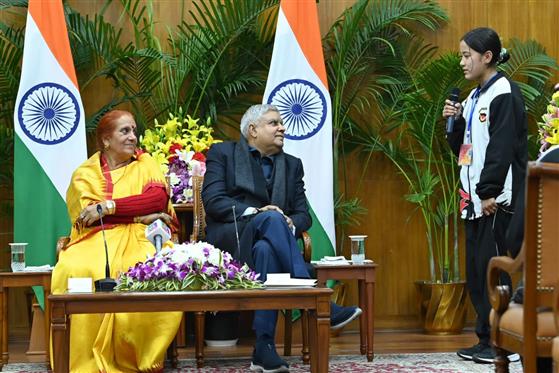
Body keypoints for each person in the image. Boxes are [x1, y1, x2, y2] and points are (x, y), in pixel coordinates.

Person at [202, 104, 362, 373]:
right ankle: (314, 295)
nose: (282, 128)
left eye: (281, 123)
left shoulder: (291, 165)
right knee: (272, 218)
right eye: (274, 123)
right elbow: (214, 201)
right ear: (252, 130)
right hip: (233, 238)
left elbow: (303, 215)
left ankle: (263, 349)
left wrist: (290, 221)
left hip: (270, 244)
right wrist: (257, 212)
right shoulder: (223, 153)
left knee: (267, 247)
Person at [51, 110, 182, 372]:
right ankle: (81, 360)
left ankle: (137, 357)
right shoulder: (84, 174)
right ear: (106, 140)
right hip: (94, 238)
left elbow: (156, 201)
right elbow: (88, 218)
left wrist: (108, 207)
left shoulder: (145, 163)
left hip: (142, 238)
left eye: (134, 130)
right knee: (74, 268)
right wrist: (138, 215)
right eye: (125, 131)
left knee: (148, 267)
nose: (133, 137)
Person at [442, 27, 527, 364]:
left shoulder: (503, 92)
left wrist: (489, 191)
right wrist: (454, 125)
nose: (462, 62)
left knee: (494, 271)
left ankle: (506, 343)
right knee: (478, 271)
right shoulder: (475, 96)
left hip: (496, 200)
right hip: (474, 200)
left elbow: (502, 148)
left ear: (487, 57)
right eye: (461, 55)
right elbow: (466, 151)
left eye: (467, 55)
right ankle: (485, 339)